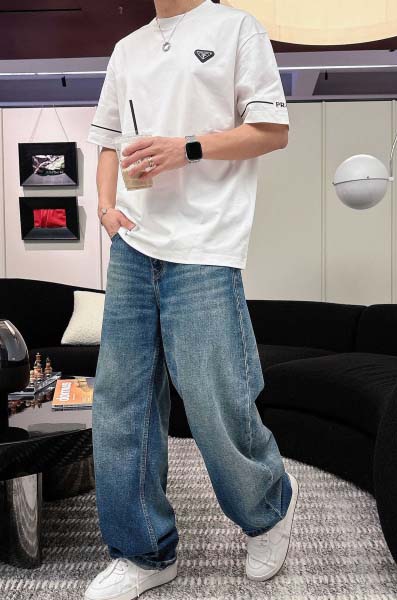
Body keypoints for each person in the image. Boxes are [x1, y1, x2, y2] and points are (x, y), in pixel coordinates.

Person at [84, 1, 299, 598]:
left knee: (213, 401)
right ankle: (145, 551)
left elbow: (273, 131)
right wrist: (105, 208)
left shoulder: (236, 29)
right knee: (120, 406)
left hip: (206, 246)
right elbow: (108, 141)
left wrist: (188, 148)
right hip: (133, 245)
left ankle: (268, 510)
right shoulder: (127, 48)